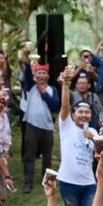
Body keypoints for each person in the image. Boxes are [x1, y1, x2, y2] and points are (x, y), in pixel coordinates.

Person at [56, 69, 98, 206]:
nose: (84, 115)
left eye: (87, 113)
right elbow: (65, 105)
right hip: (68, 182)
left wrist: (93, 139)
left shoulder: (93, 131)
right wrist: (66, 84)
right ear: (73, 115)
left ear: (91, 115)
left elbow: (101, 154)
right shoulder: (67, 126)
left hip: (89, 183)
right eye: (80, 112)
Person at [21, 56, 60, 193]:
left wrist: (44, 93)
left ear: (48, 76)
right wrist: (26, 61)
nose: (41, 75)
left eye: (44, 73)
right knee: (29, 154)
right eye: (39, 73)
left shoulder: (52, 90)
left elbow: (55, 105)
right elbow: (26, 74)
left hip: (47, 127)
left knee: (47, 155)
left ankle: (46, 180)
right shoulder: (30, 87)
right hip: (32, 125)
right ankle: (28, 182)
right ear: (35, 75)